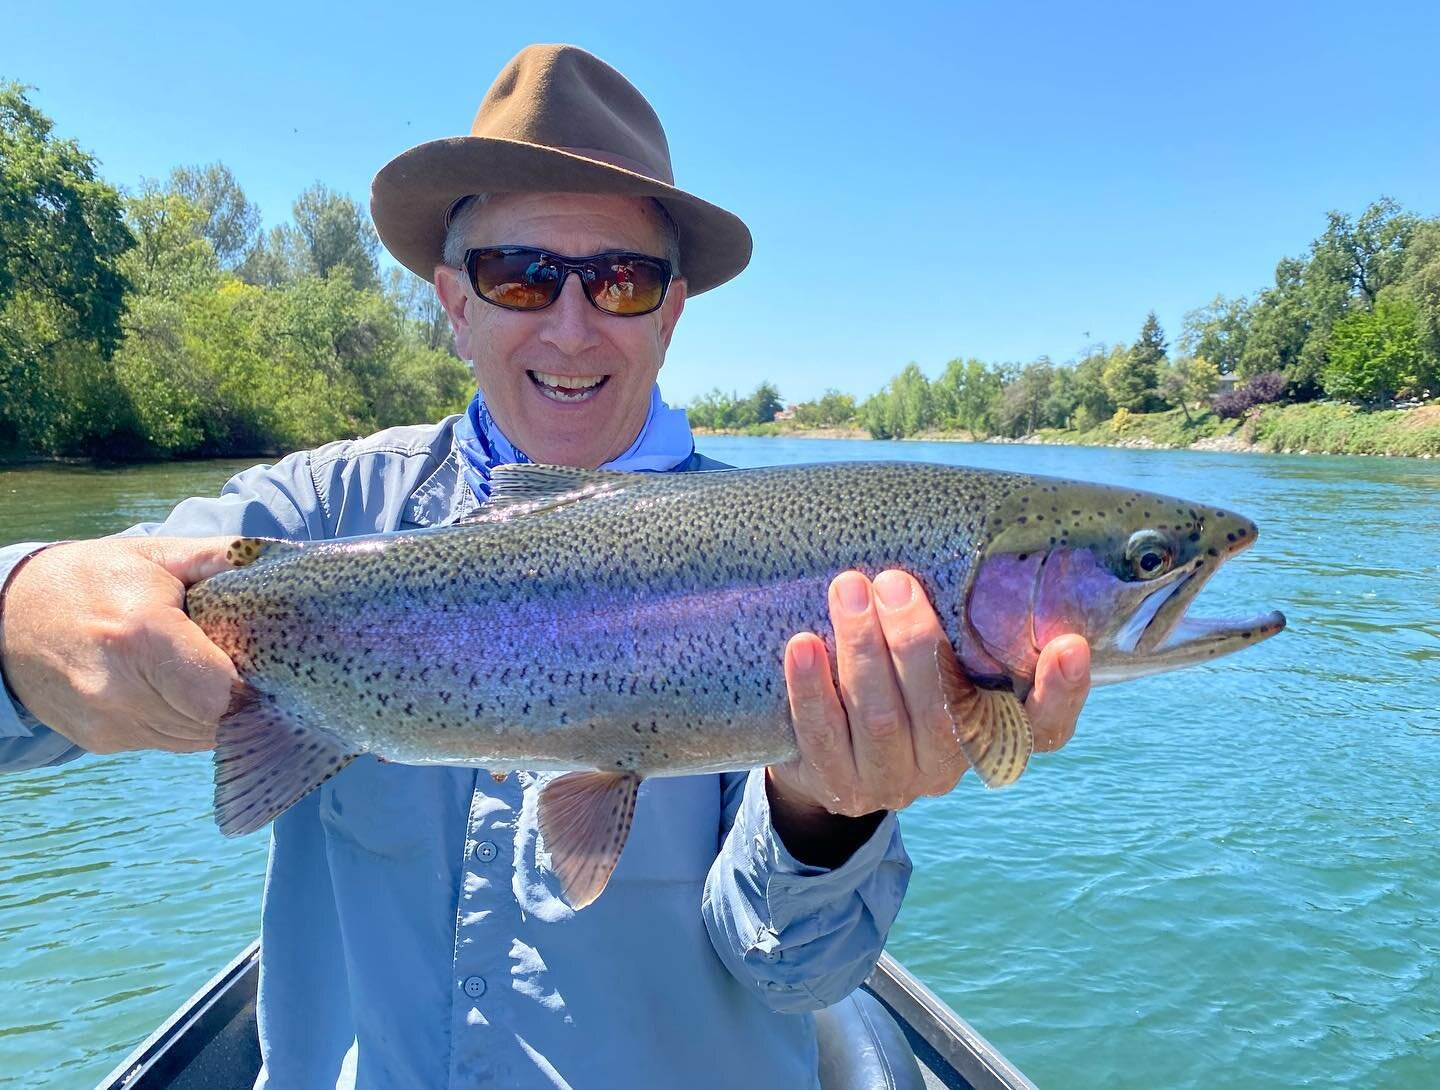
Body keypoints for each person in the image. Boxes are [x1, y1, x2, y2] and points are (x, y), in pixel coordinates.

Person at [0, 45, 1092, 1090]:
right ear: (454, 302)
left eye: (619, 281)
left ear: (671, 311)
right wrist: (28, 609)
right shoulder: (317, 515)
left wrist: (827, 812)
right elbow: (55, 660)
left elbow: (794, 973)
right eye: (521, 276)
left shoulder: (797, 561)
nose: (572, 328)